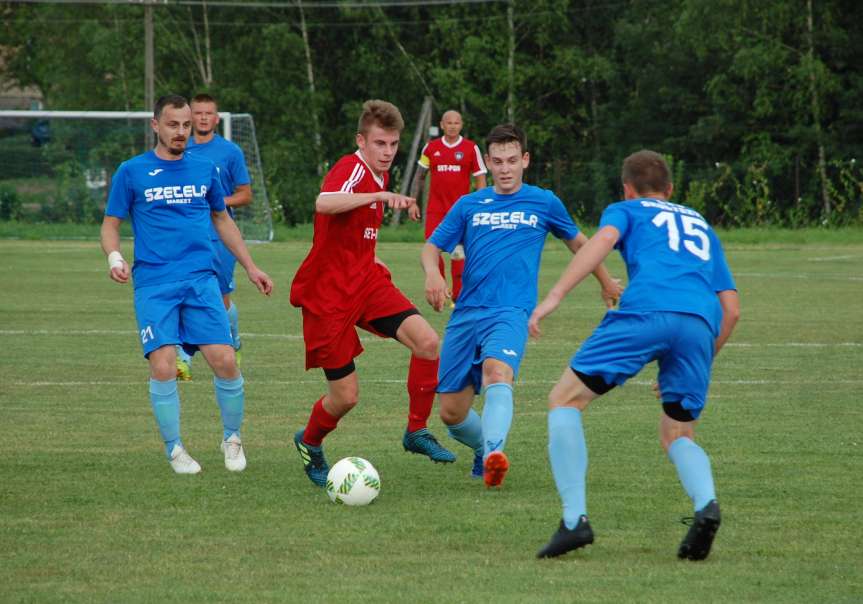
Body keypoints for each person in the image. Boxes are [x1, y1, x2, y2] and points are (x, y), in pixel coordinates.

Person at [529, 150, 740, 560]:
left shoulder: (626, 210)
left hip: (646, 311)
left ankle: (575, 521)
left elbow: (599, 244)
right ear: (671, 190)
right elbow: (732, 310)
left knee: (564, 399)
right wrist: (699, 357)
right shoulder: (699, 222)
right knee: (677, 432)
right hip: (700, 323)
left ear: (626, 190)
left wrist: (554, 295)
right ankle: (706, 505)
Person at [421, 124, 622, 488]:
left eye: (512, 160)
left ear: (525, 160)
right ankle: (484, 449)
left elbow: (580, 244)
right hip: (466, 314)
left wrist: (606, 282)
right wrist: (433, 275)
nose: (505, 169)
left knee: (498, 373)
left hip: (511, 312)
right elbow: (431, 247)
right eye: (497, 161)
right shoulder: (469, 204)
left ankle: (495, 454)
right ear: (488, 163)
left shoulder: (543, 201)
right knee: (451, 413)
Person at [100, 94, 273, 474]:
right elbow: (111, 223)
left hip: (201, 279)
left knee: (225, 361)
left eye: (186, 126)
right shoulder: (131, 171)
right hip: (154, 283)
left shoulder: (205, 168)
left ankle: (232, 438)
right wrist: (115, 258)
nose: (181, 132)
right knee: (163, 367)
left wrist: (250, 266)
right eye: (173, 125)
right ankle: (175, 449)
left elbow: (222, 218)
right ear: (156, 126)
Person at [290, 99, 455, 488]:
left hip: (365, 283)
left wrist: (373, 257)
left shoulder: (378, 174)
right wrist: (379, 197)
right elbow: (324, 202)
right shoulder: (352, 168)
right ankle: (310, 442)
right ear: (361, 141)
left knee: (429, 342)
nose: (387, 152)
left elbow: (351, 233)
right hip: (328, 296)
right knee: (346, 397)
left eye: (394, 144)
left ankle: (416, 431)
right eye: (380, 144)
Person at [175, 93, 253, 381]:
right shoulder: (180, 150)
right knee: (184, 295)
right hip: (188, 237)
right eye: (198, 113)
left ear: (216, 118)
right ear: (190, 117)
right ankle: (183, 358)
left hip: (220, 236)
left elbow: (245, 195)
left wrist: (217, 201)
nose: (203, 118)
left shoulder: (230, 152)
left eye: (209, 113)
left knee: (220, 299)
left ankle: (233, 340)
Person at [411, 110, 487, 305]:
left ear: (461, 125)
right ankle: (440, 290)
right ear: (442, 125)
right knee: (433, 251)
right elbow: (419, 176)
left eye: (456, 122)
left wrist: (481, 206)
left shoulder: (471, 148)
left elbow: (480, 179)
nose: (453, 126)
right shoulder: (431, 148)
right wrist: (412, 202)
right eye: (449, 122)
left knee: (458, 255)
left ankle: (458, 297)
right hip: (435, 211)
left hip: (460, 214)